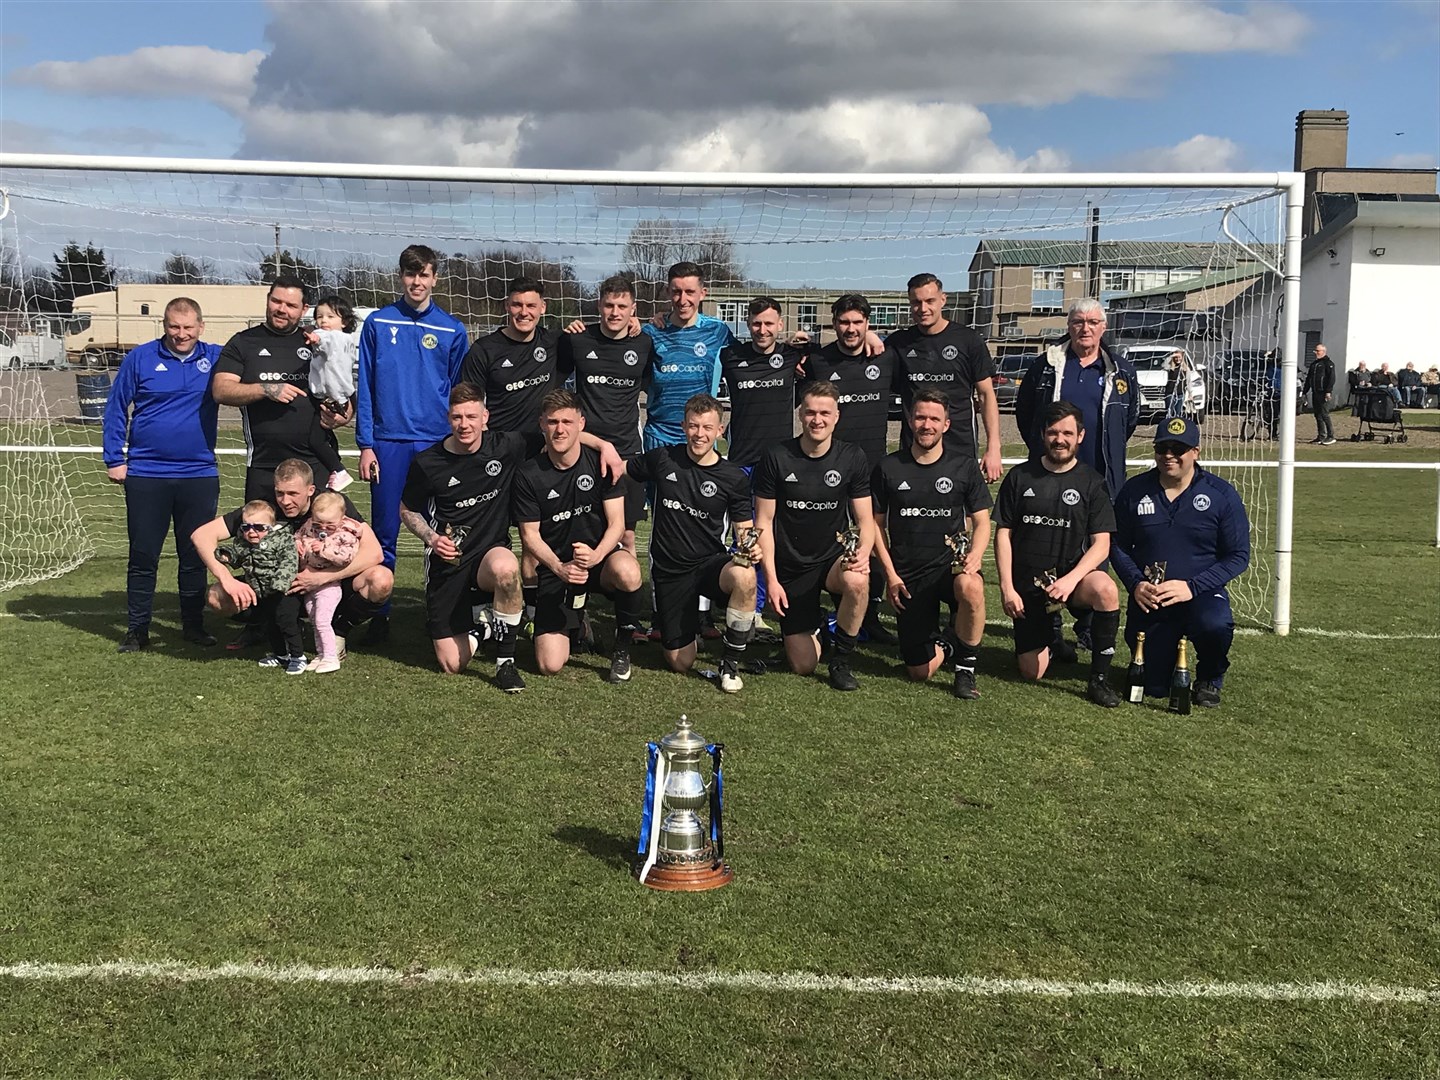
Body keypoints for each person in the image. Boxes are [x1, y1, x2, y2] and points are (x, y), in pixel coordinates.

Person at [355, 244, 469, 643]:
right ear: (400, 277)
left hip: (437, 446)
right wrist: (366, 444)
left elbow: (458, 392)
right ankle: (379, 614)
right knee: (384, 530)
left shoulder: (453, 330)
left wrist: (457, 441)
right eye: (410, 274)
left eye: (424, 275)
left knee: (441, 531)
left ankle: (440, 612)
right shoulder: (377, 323)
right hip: (388, 443)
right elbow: (365, 387)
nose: (417, 282)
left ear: (435, 278)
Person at [1015, 298, 1137, 658]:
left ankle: (1088, 628)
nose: (1085, 328)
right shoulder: (1047, 366)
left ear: (1104, 327)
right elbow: (1026, 416)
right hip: (1049, 477)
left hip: (1097, 482)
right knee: (1046, 548)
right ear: (1068, 325)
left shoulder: (1121, 372)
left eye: (1093, 322)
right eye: (1078, 321)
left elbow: (1127, 423)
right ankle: (1049, 627)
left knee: (1095, 554)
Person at [398, 383, 538, 690]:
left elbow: (558, 436)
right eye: (457, 417)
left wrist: (605, 446)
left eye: (471, 416)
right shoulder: (428, 463)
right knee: (452, 664)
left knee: (507, 570)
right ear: (448, 418)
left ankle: (505, 663)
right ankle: (483, 628)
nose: (465, 424)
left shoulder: (507, 445)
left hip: (490, 553)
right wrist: (432, 538)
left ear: (485, 417)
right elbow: (407, 510)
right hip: (450, 561)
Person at [103, 296, 223, 652]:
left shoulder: (216, 357)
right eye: (174, 326)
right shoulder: (140, 358)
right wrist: (114, 458)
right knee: (143, 555)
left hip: (199, 475)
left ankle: (193, 626)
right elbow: (115, 408)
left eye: (188, 327)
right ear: (164, 325)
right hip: (146, 474)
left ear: (201, 327)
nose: (181, 334)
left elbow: (257, 357)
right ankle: (137, 631)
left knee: (195, 555)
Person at [621, 394, 759, 693]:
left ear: (720, 430)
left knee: (745, 576)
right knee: (680, 661)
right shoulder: (662, 459)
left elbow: (744, 530)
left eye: (707, 428)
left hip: (710, 565)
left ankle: (730, 665)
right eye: (694, 426)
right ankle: (686, 630)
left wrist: (751, 545)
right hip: (671, 572)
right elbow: (620, 469)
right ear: (683, 426)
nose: (700, 434)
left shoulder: (733, 477)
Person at [1112, 417, 1250, 708]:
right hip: (1152, 597)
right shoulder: (1134, 491)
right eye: (1162, 448)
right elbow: (1116, 545)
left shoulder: (1221, 494)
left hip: (1201, 594)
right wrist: (1136, 584)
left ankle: (1211, 678)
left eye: (1179, 448)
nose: (1169, 455)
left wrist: (1192, 586)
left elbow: (1238, 556)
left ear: (1196, 452)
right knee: (1154, 688)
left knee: (1214, 624)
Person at [994, 401, 1122, 708]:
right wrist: (1007, 587)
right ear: (1043, 435)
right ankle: (1052, 643)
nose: (1059, 439)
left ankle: (1099, 679)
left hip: (1073, 583)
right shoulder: (1020, 477)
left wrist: (1070, 580)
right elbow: (1003, 534)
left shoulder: (1092, 482)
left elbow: (1101, 544)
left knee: (1105, 589)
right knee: (1031, 672)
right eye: (1053, 432)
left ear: (1080, 436)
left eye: (1067, 432)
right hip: (1029, 587)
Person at [193, 458, 392, 652]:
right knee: (216, 597)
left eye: (293, 493)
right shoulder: (265, 509)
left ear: (310, 490)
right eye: (280, 493)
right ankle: (270, 624)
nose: (285, 501)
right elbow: (201, 535)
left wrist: (322, 578)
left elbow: (374, 552)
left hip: (329, 583)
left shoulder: (330, 504)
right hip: (275, 586)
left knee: (381, 579)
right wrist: (226, 577)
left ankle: (340, 630)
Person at [513, 389, 643, 683]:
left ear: (581, 424)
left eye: (567, 422)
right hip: (558, 567)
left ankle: (621, 650)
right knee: (549, 664)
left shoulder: (601, 464)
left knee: (629, 570)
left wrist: (597, 555)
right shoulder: (528, 473)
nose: (560, 429)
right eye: (553, 422)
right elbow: (529, 536)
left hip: (600, 561)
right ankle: (579, 626)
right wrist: (559, 568)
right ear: (542, 425)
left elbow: (617, 524)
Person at [871, 389, 993, 699]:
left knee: (971, 587)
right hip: (909, 574)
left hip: (950, 568)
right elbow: (875, 525)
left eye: (934, 419)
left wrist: (975, 556)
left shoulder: (963, 467)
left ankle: (966, 670)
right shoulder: (887, 468)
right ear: (910, 421)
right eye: (921, 417)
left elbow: (981, 521)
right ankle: (952, 639)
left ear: (946, 425)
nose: (927, 424)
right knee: (919, 672)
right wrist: (890, 575)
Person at [753, 381, 874, 691]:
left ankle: (841, 661)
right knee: (803, 665)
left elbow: (865, 520)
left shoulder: (852, 456)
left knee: (858, 580)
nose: (816, 420)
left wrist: (862, 554)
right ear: (800, 415)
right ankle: (818, 629)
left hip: (832, 561)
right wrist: (772, 580)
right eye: (810, 413)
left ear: (836, 416)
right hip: (792, 567)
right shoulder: (776, 456)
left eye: (824, 413)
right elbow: (763, 522)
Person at [811, 293, 899, 644]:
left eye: (857, 323)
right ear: (834, 324)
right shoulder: (817, 360)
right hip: (829, 466)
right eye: (844, 323)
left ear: (868, 324)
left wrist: (878, 340)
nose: (850, 329)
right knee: (827, 535)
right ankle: (824, 608)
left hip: (874, 466)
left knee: (873, 538)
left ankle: (870, 614)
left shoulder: (886, 357)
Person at [212, 276, 341, 505]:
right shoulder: (243, 342)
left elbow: (345, 397)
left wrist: (340, 416)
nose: (281, 309)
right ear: (268, 300)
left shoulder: (316, 342)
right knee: (260, 538)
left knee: (319, 538)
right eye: (276, 301)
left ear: (304, 309)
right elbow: (221, 390)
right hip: (264, 466)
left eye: (290, 305)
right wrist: (266, 389)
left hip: (314, 466)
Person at [558, 274, 655, 555]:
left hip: (627, 450)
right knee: (580, 527)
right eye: (609, 305)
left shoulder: (644, 344)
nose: (615, 313)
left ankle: (624, 594)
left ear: (633, 309)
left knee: (625, 534)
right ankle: (577, 592)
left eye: (622, 307)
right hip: (585, 447)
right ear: (599, 305)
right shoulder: (577, 340)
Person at [885, 272, 1002, 481]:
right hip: (916, 447)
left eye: (930, 301)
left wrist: (993, 447)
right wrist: (868, 335)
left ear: (943, 299)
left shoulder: (968, 340)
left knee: (964, 511)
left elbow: (986, 395)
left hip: (960, 445)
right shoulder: (898, 343)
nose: (923, 309)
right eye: (916, 303)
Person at [639, 262, 735, 451]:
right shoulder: (651, 332)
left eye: (690, 292)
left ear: (703, 293)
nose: (683, 300)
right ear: (668, 292)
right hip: (660, 437)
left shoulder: (718, 331)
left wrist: (789, 347)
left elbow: (751, 358)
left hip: (701, 438)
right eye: (676, 292)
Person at [210, 500, 305, 674]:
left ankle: (298, 656)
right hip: (262, 592)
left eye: (259, 528)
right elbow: (238, 558)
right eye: (247, 527)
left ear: (271, 526)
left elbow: (289, 563)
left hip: (284, 592)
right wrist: (227, 555)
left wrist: (279, 583)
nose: (252, 532)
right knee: (271, 624)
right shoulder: (243, 542)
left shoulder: (282, 540)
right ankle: (280, 654)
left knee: (287, 623)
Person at [458, 277, 562, 434]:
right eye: (517, 305)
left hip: (542, 445)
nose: (524, 312)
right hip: (501, 446)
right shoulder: (484, 349)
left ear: (542, 307)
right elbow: (469, 404)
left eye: (531, 306)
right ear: (507, 306)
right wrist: (490, 444)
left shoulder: (555, 342)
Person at [294, 491, 364, 674]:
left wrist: (324, 550)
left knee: (323, 620)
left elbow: (346, 558)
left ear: (341, 519)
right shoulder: (309, 526)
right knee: (314, 620)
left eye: (329, 525)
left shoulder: (345, 534)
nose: (323, 528)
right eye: (318, 523)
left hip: (329, 585)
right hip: (310, 585)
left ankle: (332, 657)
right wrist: (297, 544)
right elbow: (298, 535)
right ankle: (321, 654)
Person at [304, 295, 360, 492]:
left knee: (315, 439)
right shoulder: (347, 340)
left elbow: (326, 340)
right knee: (325, 436)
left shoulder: (334, 337)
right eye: (319, 316)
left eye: (330, 316)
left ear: (344, 321)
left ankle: (339, 470)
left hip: (331, 398)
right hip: (338, 396)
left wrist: (315, 337)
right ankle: (334, 468)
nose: (323, 321)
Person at [1304, 342, 1336, 445]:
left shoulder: (1328, 364)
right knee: (1317, 414)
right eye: (1315, 351)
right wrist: (1304, 391)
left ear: (1323, 351)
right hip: (1315, 392)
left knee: (1324, 414)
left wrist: (1328, 391)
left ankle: (1331, 436)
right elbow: (1309, 378)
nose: (1316, 353)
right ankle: (1321, 436)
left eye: (1318, 351)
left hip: (1323, 393)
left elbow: (1331, 378)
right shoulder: (1314, 364)